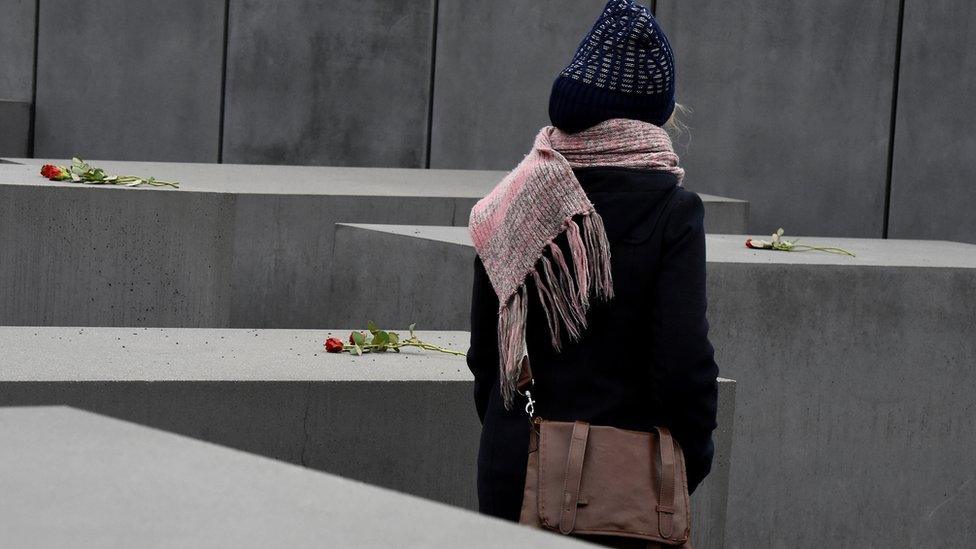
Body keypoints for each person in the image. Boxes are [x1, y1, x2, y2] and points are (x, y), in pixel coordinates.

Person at [466, 0, 719, 523]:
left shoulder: (513, 200)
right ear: (657, 111)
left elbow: (486, 358)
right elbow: (682, 365)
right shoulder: (673, 211)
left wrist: (514, 437)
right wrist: (686, 460)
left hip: (512, 475)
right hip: (619, 486)